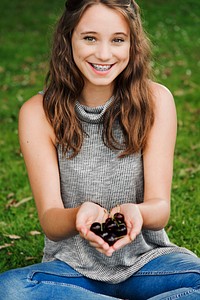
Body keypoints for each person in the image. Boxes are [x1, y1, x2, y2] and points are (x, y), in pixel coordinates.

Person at [0, 0, 199, 299]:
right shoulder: (37, 112)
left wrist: (138, 213)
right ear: (68, 39)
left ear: (132, 44)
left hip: (148, 262)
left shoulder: (157, 101)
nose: (104, 54)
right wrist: (79, 215)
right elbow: (51, 221)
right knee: (10, 289)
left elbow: (159, 208)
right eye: (90, 38)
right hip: (72, 270)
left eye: (118, 40)